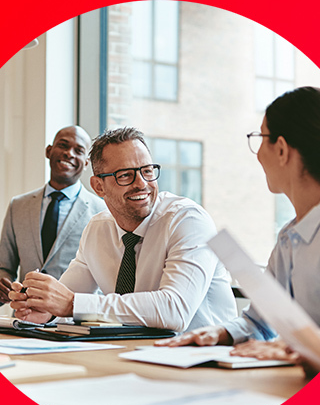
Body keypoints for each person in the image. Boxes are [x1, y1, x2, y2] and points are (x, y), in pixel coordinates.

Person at [154, 86, 320, 373]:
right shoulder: (289, 238)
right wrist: (220, 333)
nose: (257, 156)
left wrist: (294, 347)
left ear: (281, 149)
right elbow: (260, 322)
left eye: (261, 138)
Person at [9, 126, 237, 330]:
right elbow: (68, 298)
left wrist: (70, 304)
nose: (142, 184)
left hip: (204, 362)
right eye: (125, 175)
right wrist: (45, 310)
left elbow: (174, 310)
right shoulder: (98, 229)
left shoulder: (188, 220)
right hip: (135, 355)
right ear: (99, 186)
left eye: (147, 171)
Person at [0, 125, 105, 305]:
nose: (69, 153)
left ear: (87, 162)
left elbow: (106, 279)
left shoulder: (101, 211)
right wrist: (3, 284)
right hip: (24, 317)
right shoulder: (18, 205)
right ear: (49, 151)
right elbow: (4, 267)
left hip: (73, 324)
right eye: (63, 145)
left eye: (78, 150)